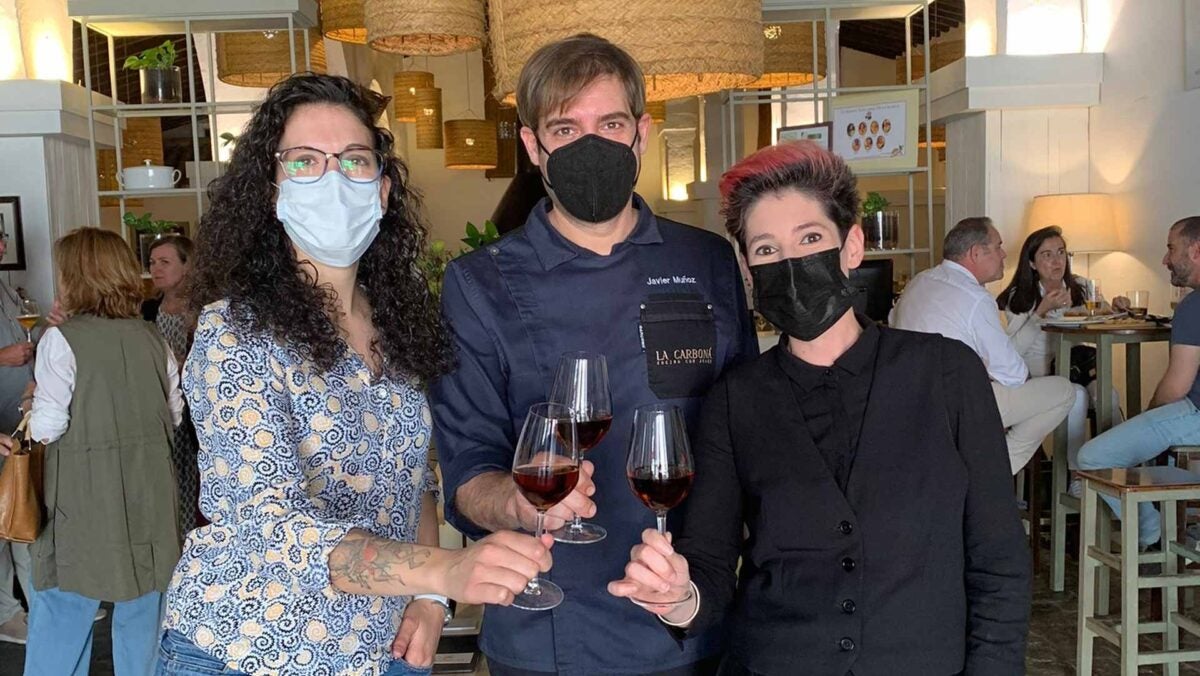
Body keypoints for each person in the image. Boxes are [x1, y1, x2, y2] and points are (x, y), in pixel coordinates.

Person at [157, 73, 554, 676]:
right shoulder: (234, 334)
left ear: (384, 189)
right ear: (270, 190)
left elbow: (414, 480)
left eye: (354, 160)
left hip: (382, 645)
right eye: (304, 162)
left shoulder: (401, 325)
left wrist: (427, 600)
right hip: (248, 647)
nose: (333, 179)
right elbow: (271, 527)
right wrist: (444, 571)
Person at [608, 140, 1030, 675]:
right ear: (746, 266)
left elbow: (998, 558)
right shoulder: (736, 399)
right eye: (766, 249)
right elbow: (710, 563)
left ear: (851, 246)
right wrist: (679, 597)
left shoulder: (947, 373)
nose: (789, 263)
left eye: (810, 238)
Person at [430, 34, 757, 675]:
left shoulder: (707, 261)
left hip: (689, 615)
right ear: (533, 146)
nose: (591, 145)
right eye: (565, 127)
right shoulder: (479, 284)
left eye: (609, 124)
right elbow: (468, 473)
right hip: (549, 628)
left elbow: (746, 432)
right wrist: (520, 502)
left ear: (641, 134)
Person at [0, 227, 183, 675]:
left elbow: (48, 426)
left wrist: (32, 402)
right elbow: (174, 414)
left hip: (81, 492)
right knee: (144, 607)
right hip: (149, 488)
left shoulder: (62, 340)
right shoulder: (153, 338)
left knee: (65, 603)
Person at [890, 217, 1075, 473]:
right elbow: (1013, 375)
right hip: (960, 405)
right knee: (1064, 391)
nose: (1004, 254)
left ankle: (977, 471)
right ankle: (991, 474)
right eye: (998, 246)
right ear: (976, 253)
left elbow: (893, 329)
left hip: (913, 401)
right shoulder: (975, 298)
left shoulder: (919, 282)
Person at [1077, 216, 1200, 549]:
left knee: (1092, 457)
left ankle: (1155, 534)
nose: (1165, 259)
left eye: (1171, 248)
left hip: (1195, 416)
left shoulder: (1194, 306)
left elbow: (1177, 386)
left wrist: (1147, 416)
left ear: (1196, 250)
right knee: (1157, 457)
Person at [997, 226, 1125, 490]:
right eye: (1046, 255)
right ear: (1031, 263)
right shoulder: (1018, 297)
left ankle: (1111, 471)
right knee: (1075, 397)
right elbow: (1010, 352)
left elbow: (1103, 317)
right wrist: (1040, 312)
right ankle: (1076, 477)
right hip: (1040, 373)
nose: (1056, 261)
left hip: (1077, 365)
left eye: (1060, 252)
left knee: (1108, 395)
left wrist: (1117, 307)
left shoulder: (1080, 287)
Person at [142, 235, 204, 535]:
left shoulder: (209, 311)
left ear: (187, 265)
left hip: (199, 415)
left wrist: (187, 365)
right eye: (152, 262)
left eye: (165, 262)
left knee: (197, 482)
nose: (156, 269)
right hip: (161, 409)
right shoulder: (145, 312)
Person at [0, 215, 35, 646]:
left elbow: (25, 347)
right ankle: (7, 615)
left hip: (19, 424)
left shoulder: (12, 292)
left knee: (24, 519)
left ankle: (43, 606)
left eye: (1, 239)